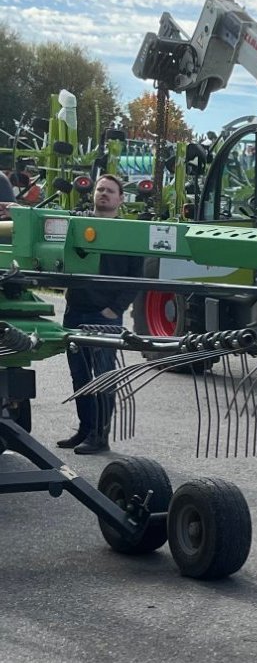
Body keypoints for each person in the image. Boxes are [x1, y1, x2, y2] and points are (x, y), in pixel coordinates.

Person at [59, 173, 138, 455]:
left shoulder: (129, 233)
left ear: (120, 199)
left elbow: (136, 277)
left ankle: (100, 436)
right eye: (100, 189)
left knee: (103, 376)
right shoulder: (77, 226)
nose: (104, 194)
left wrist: (114, 309)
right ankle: (85, 428)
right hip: (75, 311)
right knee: (79, 376)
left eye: (110, 191)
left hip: (104, 317)